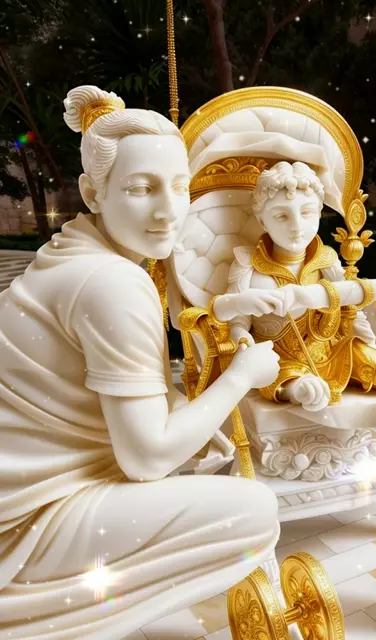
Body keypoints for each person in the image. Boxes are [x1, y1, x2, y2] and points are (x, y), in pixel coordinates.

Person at [0, 85, 285, 640]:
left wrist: (183, 411)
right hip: (27, 525)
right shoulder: (112, 282)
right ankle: (46, 614)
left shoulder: (66, 252)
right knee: (253, 509)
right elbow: (147, 457)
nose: (168, 211)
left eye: (179, 187)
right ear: (93, 192)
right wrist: (240, 377)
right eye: (140, 188)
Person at [224, 161, 376, 411]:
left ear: (319, 213)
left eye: (306, 213)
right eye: (281, 216)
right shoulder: (248, 263)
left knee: (356, 351)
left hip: (329, 347)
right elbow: (236, 321)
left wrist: (368, 341)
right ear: (262, 220)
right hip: (277, 356)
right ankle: (297, 389)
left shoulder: (326, 259)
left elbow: (348, 307)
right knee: (275, 371)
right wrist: (243, 341)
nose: (296, 227)